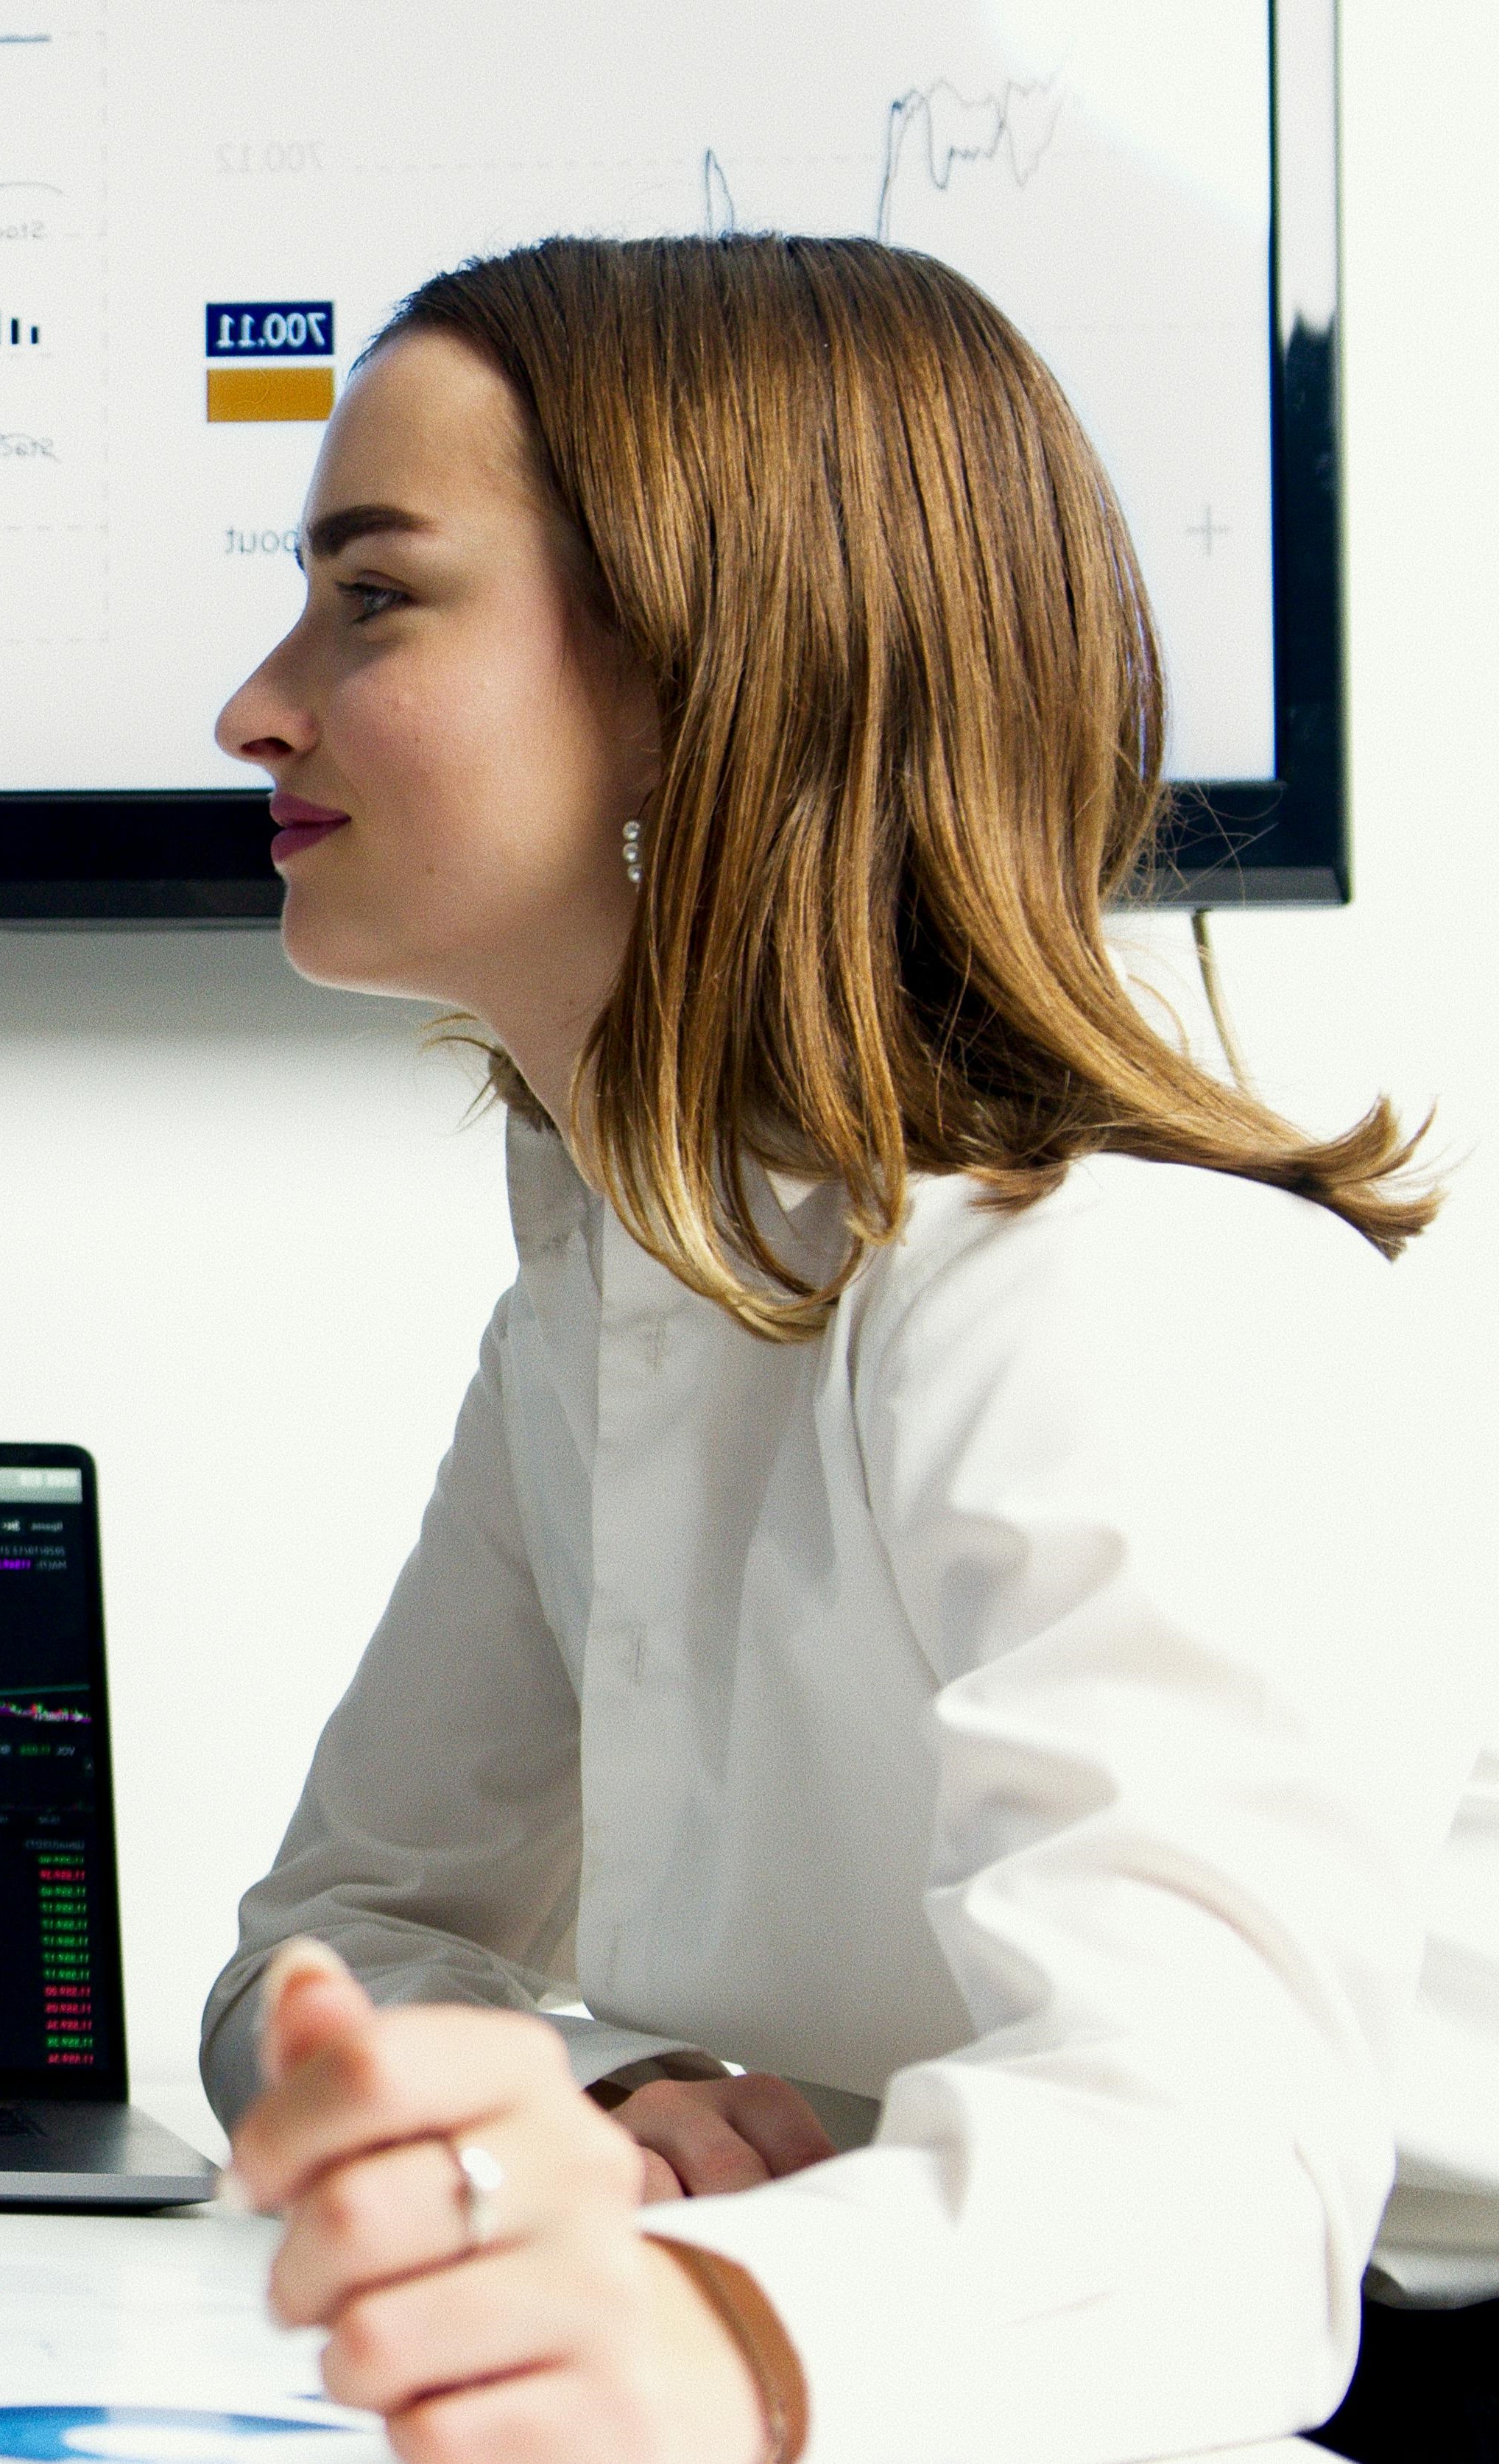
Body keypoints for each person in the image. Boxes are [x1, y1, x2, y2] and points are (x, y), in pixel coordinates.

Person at [197, 233, 1479, 2464]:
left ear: (706, 677)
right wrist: (613, 2111)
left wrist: (718, 2326)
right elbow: (322, 1942)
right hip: (937, 2325)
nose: (255, 705)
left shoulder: (1108, 1293)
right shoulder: (603, 1306)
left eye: (372, 597)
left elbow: (1218, 2197)